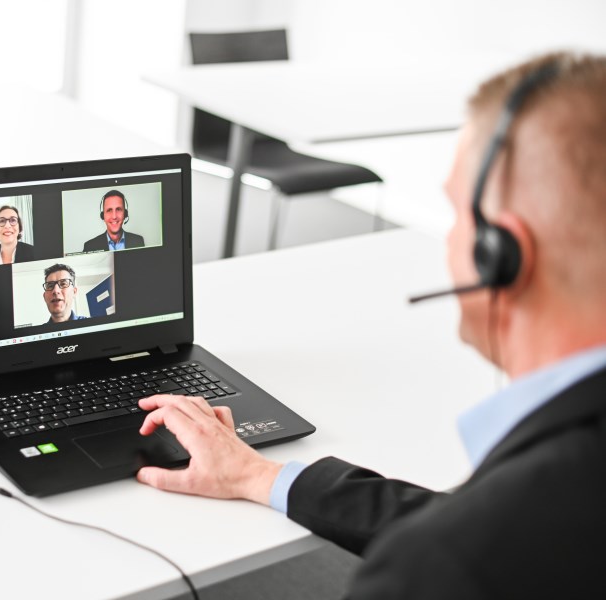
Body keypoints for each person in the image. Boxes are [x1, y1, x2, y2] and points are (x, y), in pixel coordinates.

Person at [135, 52, 606, 598]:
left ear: (499, 254)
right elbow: (491, 525)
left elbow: (472, 536)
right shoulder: (535, 516)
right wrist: (256, 474)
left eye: (457, 216)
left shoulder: (440, 567)